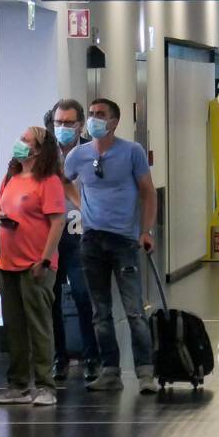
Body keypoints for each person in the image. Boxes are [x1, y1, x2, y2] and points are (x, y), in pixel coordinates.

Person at [63, 98, 159, 394]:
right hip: (91, 240)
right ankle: (110, 371)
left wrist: (145, 231)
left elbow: (148, 192)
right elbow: (64, 181)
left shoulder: (131, 152)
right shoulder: (77, 156)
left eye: (100, 115)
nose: (94, 119)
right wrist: (81, 205)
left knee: (133, 310)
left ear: (115, 122)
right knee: (100, 312)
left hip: (125, 241)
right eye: (91, 115)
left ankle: (145, 373)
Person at [0, 126, 65, 407]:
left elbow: (58, 222)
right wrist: (0, 215)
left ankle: (46, 385)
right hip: (7, 262)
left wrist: (45, 259)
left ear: (38, 149)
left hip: (36, 264)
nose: (20, 144)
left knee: (39, 326)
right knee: (15, 327)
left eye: (26, 140)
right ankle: (18, 385)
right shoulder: (12, 176)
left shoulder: (49, 181)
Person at [50, 99, 99, 382]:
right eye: (58, 123)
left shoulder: (90, 153)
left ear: (80, 124)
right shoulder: (46, 154)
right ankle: (60, 357)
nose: (63, 128)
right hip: (52, 237)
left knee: (83, 296)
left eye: (69, 123)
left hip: (80, 235)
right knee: (52, 299)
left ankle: (92, 356)